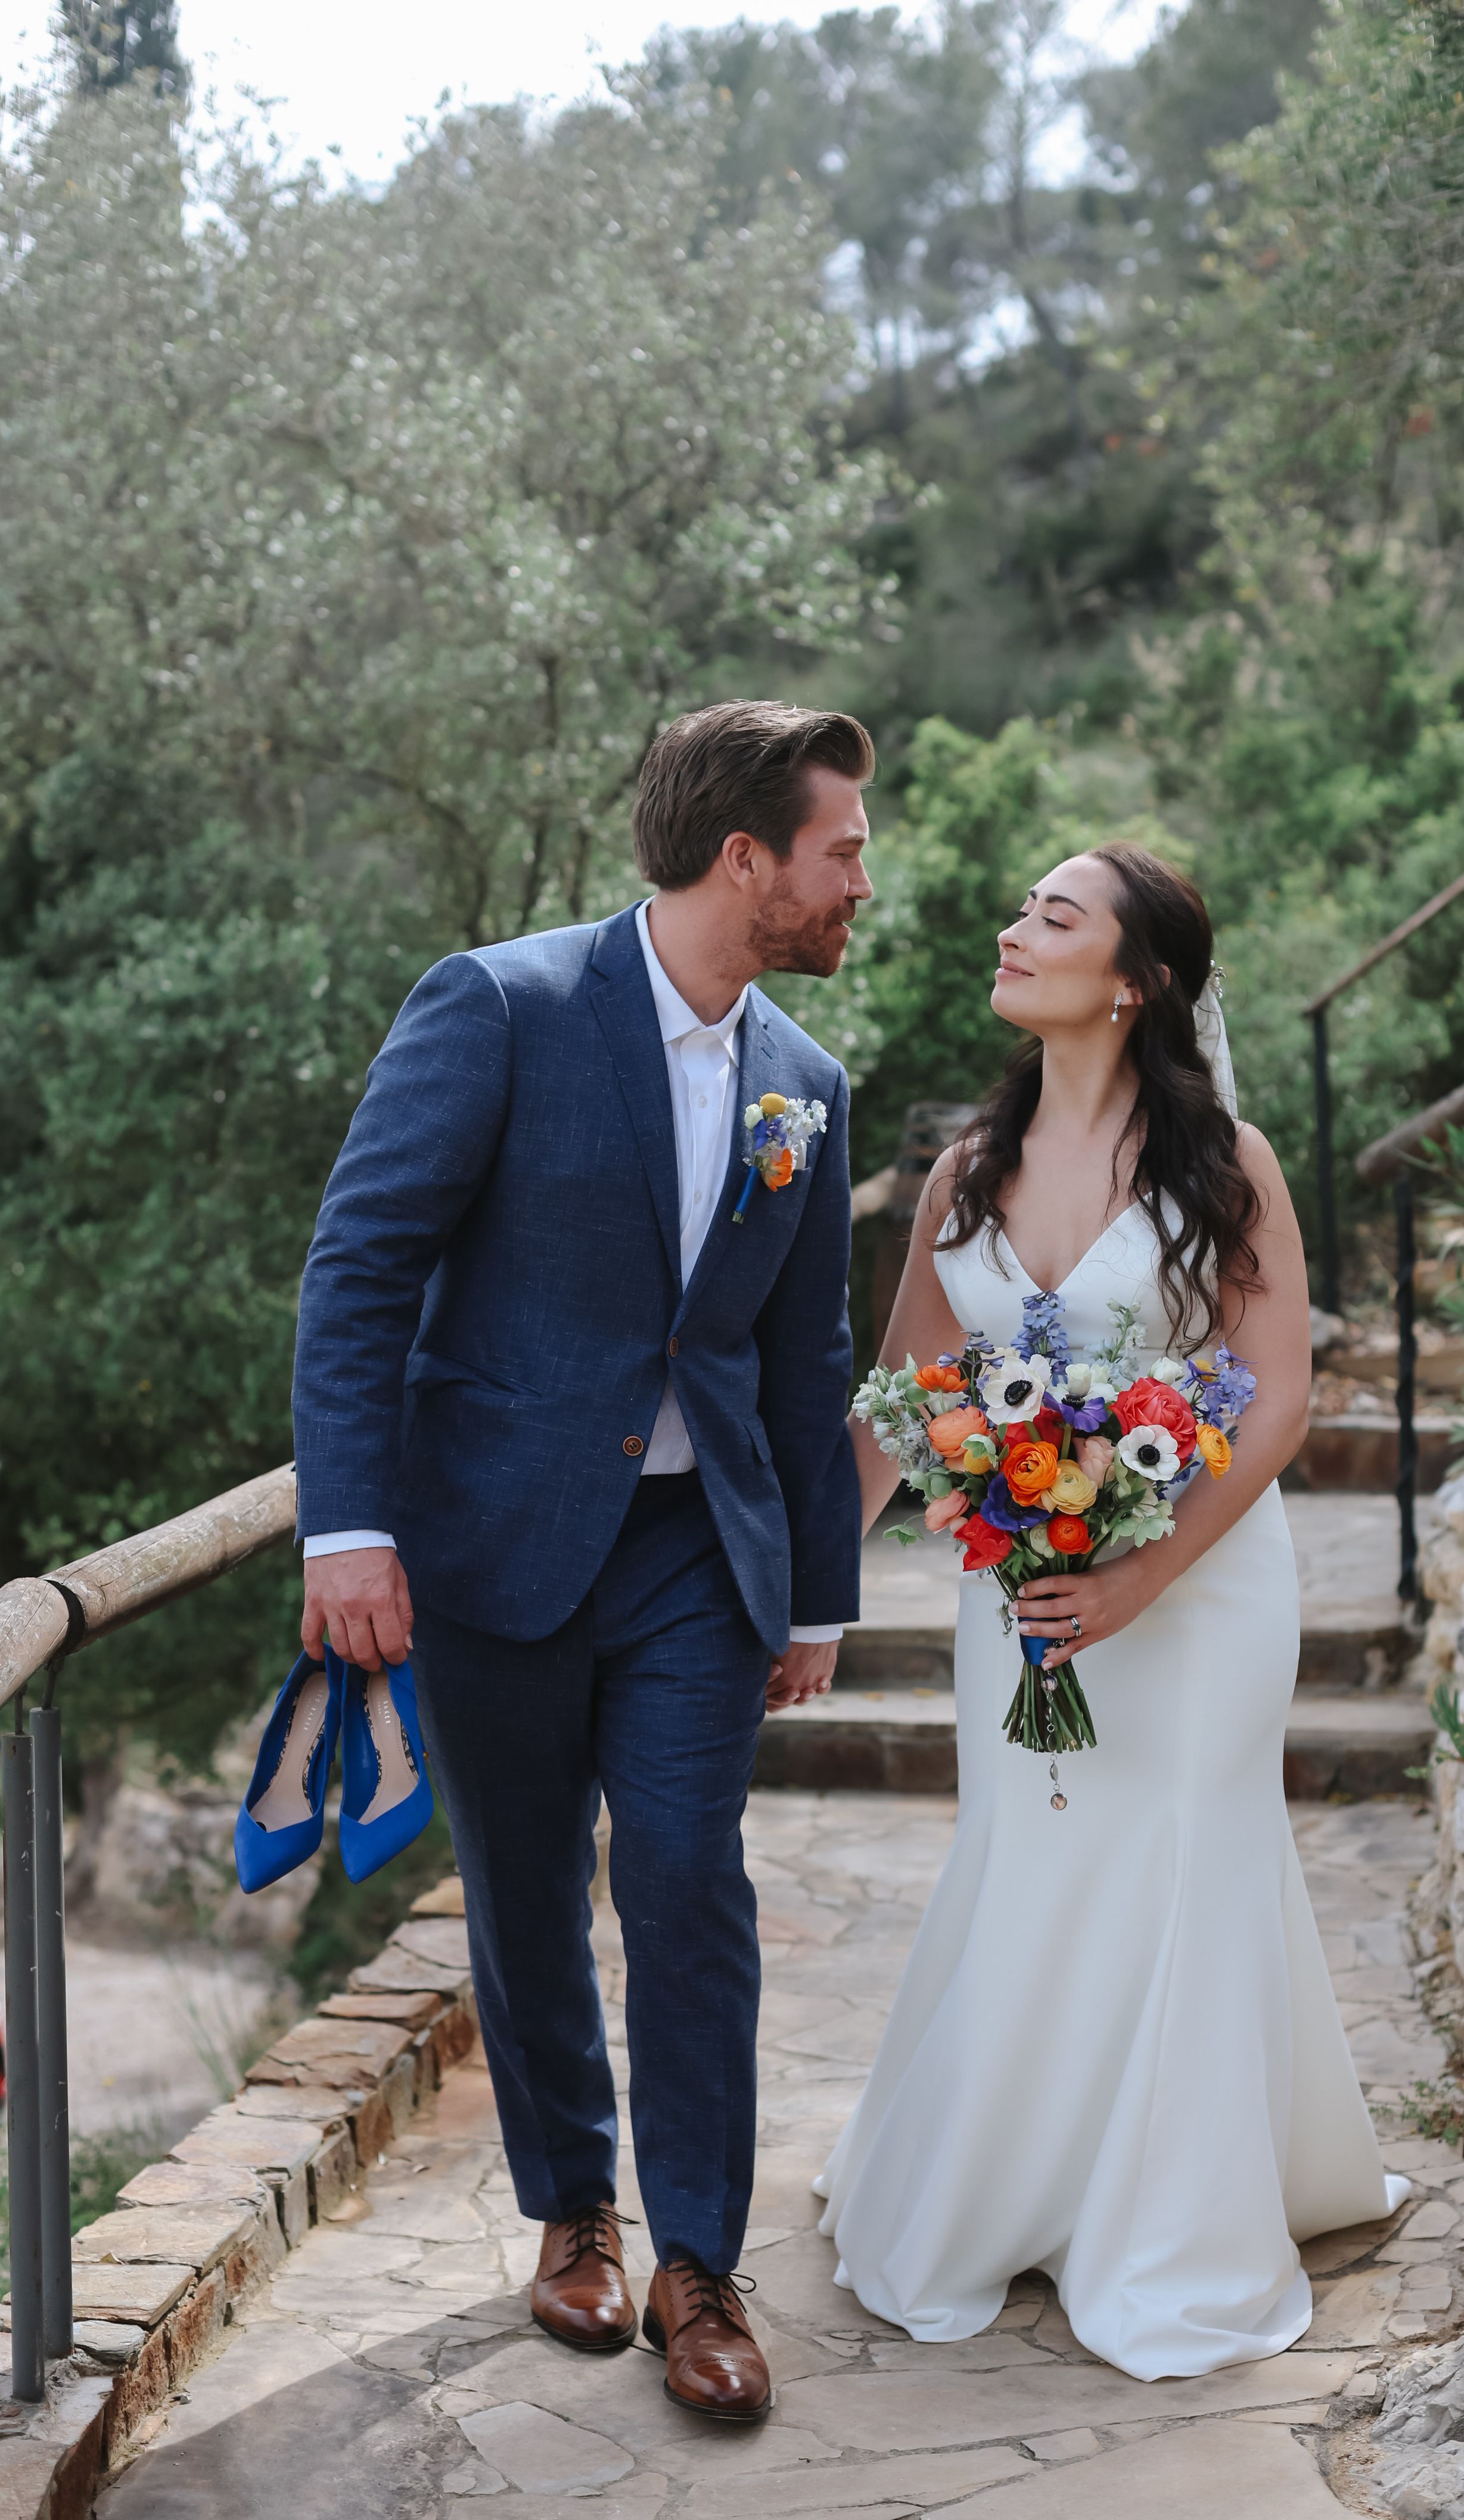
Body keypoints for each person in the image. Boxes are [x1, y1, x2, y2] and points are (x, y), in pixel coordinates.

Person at [291, 700, 871, 2422]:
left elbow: (806, 1356)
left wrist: (818, 1589)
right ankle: (575, 2211)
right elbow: (362, 1262)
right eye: (840, 849)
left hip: (702, 1554)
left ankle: (699, 2262)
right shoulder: (504, 1004)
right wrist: (349, 1522)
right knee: (529, 1888)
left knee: (689, 1880)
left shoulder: (810, 1087)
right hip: (494, 1538)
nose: (861, 881)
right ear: (744, 855)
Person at [818, 842, 1407, 2380]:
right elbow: (896, 1404)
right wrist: (795, 1589)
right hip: (1015, 1593)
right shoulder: (965, 1170)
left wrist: (1144, 1570)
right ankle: (1014, 2182)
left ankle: (1168, 2222)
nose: (1016, 930)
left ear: (1135, 982)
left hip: (1202, 1593)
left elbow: (1275, 1403)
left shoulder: (1228, 1165)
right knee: (1037, 1857)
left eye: (1054, 916)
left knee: (1179, 1859)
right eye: (1024, 908)